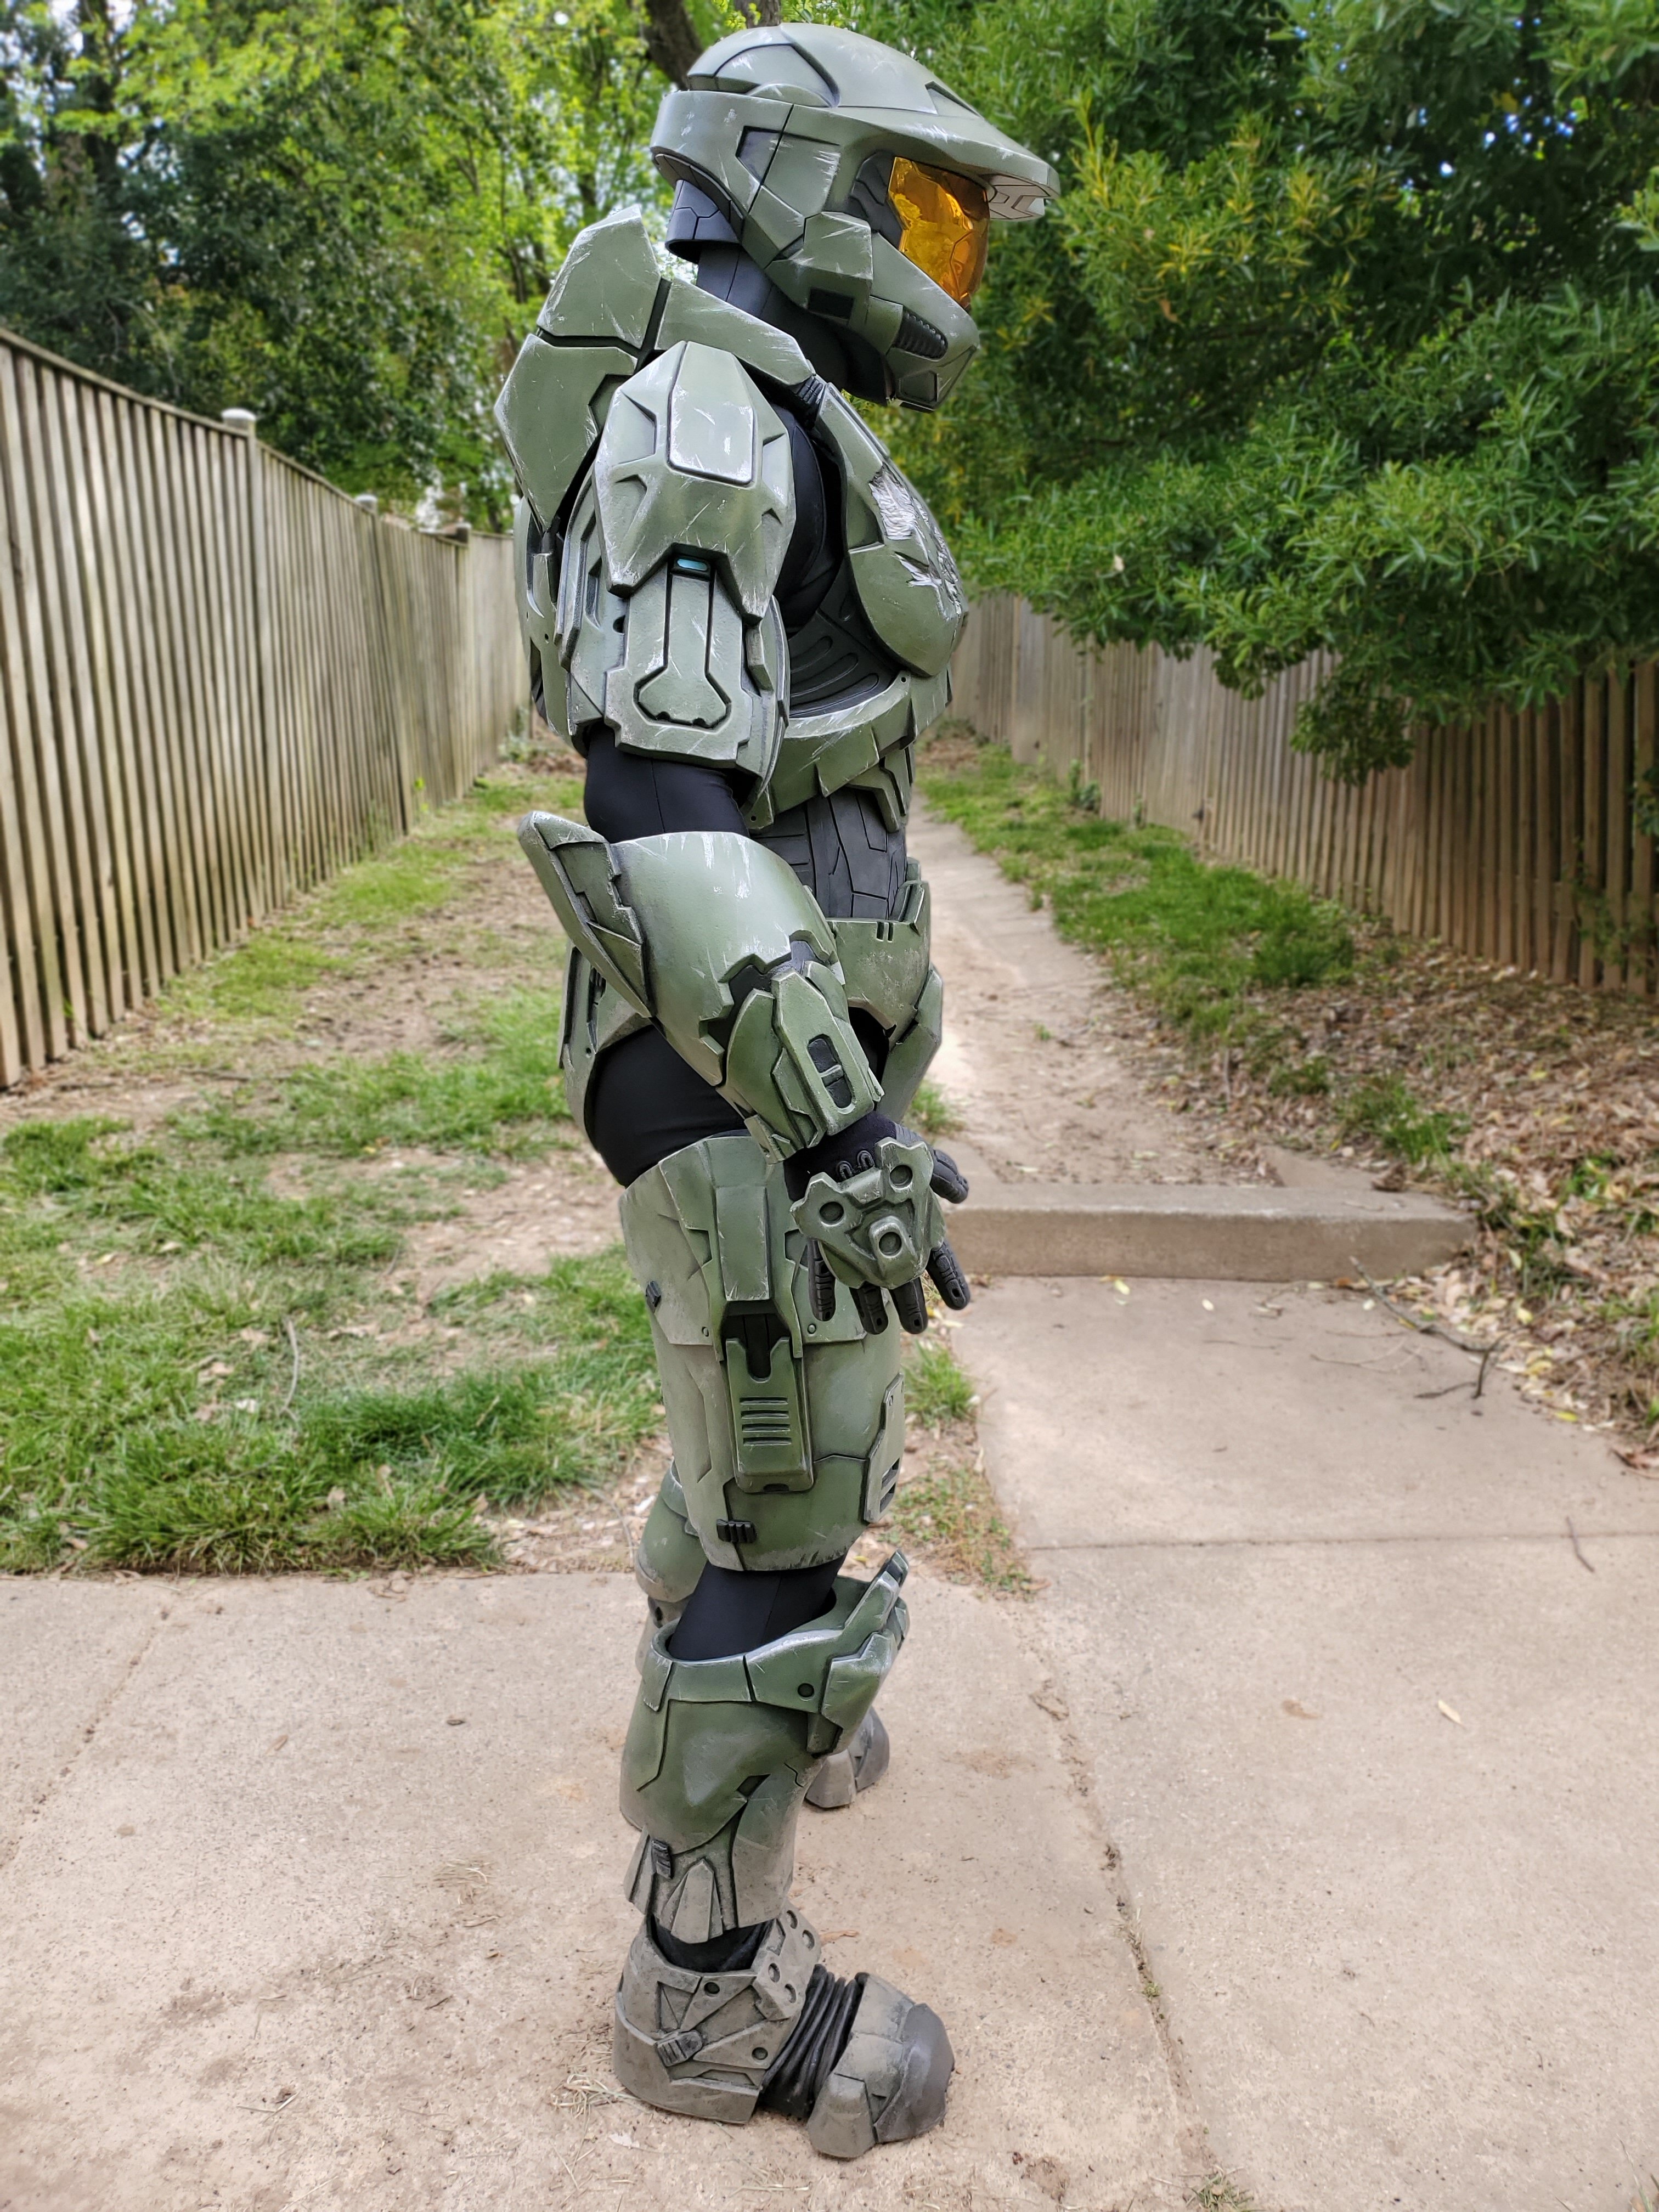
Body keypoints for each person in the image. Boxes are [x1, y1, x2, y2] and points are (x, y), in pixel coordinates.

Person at [495, 21, 1057, 2159]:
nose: (941, 260)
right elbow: (658, 804)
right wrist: (838, 1128)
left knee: (765, 1443)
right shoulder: (707, 412)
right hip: (741, 1071)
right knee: (787, 1494)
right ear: (794, 170)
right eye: (921, 211)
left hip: (773, 1057)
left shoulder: (754, 393)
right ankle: (708, 1998)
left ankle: (751, 1706)